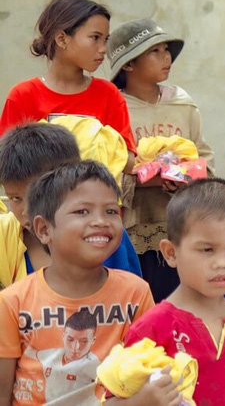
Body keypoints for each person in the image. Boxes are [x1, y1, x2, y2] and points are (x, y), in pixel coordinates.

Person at [109, 179, 225, 405]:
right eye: (207, 250)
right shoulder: (151, 330)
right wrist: (141, 401)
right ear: (171, 253)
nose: (222, 263)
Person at [0, 161, 153, 405]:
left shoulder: (136, 292)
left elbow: (144, 375)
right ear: (43, 228)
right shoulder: (13, 302)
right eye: (82, 211)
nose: (101, 221)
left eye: (111, 211)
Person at [107, 18, 215, 302]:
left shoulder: (183, 104)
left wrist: (188, 179)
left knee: (179, 305)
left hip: (180, 227)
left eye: (166, 49)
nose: (166, 57)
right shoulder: (114, 107)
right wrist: (149, 178)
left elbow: (204, 157)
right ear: (128, 64)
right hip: (132, 228)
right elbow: (108, 169)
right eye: (155, 51)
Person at [0, 123, 141, 286]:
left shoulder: (106, 234)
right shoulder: (5, 240)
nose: (26, 211)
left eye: (36, 197)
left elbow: (133, 302)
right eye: (15, 198)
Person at [0, 0, 136, 158]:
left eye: (105, 39)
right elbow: (7, 165)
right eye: (95, 38)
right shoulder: (24, 95)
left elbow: (128, 161)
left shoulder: (108, 94)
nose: (103, 49)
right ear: (62, 39)